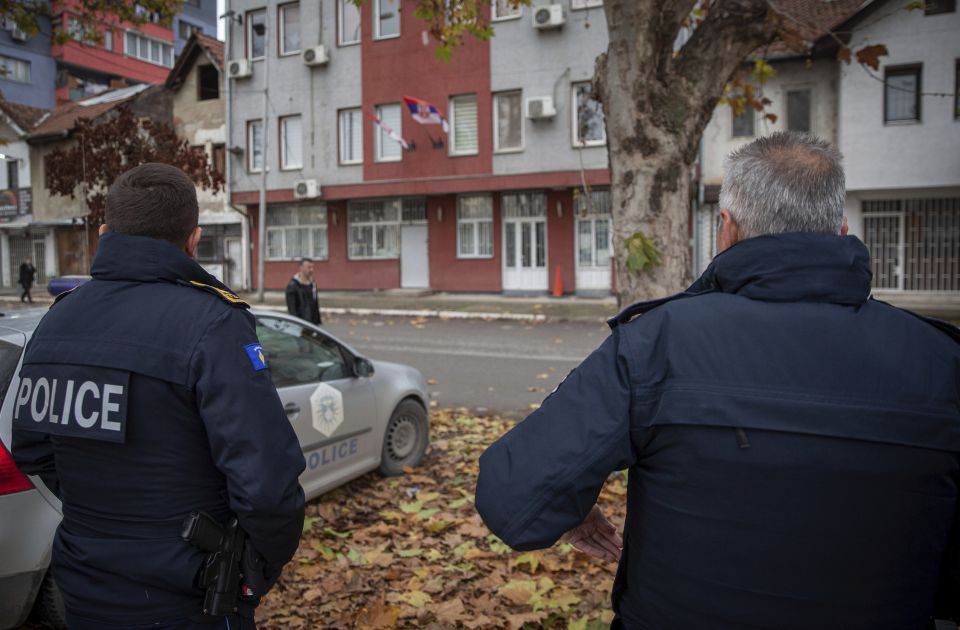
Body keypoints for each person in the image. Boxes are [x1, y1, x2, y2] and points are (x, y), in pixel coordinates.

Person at [475, 132, 960, 629]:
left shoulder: (657, 342)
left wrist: (569, 503)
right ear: (841, 230)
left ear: (725, 229)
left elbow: (515, 497)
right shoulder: (942, 361)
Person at [12, 163, 306, 629]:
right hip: (189, 596)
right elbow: (268, 485)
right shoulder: (213, 323)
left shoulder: (57, 321)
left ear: (105, 233)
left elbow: (31, 448)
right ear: (193, 240)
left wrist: (104, 516)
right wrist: (256, 571)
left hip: (85, 588)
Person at [286, 257, 322, 325]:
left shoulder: (313, 283)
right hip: (301, 325)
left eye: (312, 267)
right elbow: (292, 309)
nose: (311, 270)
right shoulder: (293, 286)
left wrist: (317, 321)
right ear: (301, 267)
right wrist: (297, 324)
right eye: (309, 267)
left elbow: (315, 304)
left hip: (313, 324)